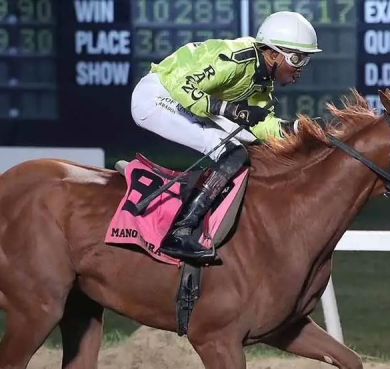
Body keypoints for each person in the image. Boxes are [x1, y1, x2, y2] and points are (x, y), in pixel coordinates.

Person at [130, 11, 321, 265]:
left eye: (305, 60)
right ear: (273, 53)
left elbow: (260, 127)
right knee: (233, 151)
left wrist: (297, 128)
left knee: (251, 146)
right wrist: (231, 110)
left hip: (182, 100)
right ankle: (180, 232)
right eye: (297, 59)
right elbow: (183, 86)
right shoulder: (236, 58)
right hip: (157, 96)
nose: (300, 69)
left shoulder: (263, 79)